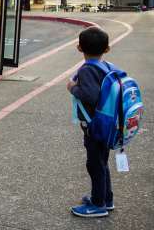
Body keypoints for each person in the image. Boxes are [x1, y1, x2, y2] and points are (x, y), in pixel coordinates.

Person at [66, 26, 114, 217]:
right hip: (107, 125)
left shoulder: (87, 70)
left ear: (79, 48)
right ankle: (106, 198)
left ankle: (98, 204)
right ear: (107, 49)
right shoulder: (107, 67)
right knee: (102, 163)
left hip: (94, 127)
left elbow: (89, 95)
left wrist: (72, 88)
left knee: (94, 165)